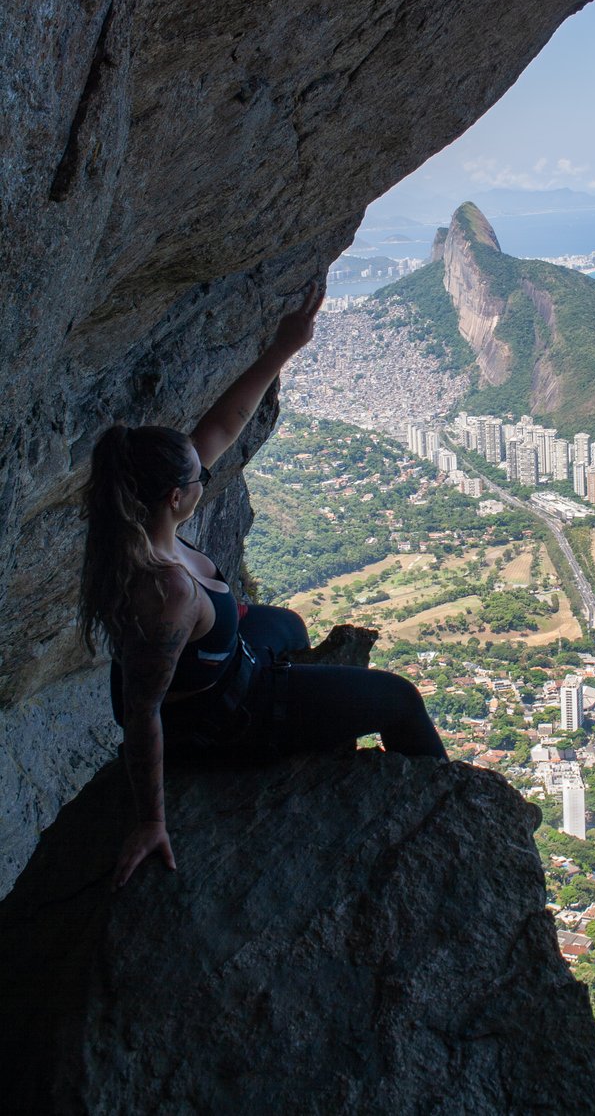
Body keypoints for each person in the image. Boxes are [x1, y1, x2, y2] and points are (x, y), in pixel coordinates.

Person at [79, 282, 447, 889]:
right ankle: (441, 820)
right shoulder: (164, 593)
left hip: (226, 670)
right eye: (198, 477)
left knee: (291, 626)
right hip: (231, 721)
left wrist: (283, 349)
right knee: (399, 700)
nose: (209, 468)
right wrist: (151, 820)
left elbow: (222, 427)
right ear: (177, 498)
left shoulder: (144, 524)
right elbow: (141, 715)